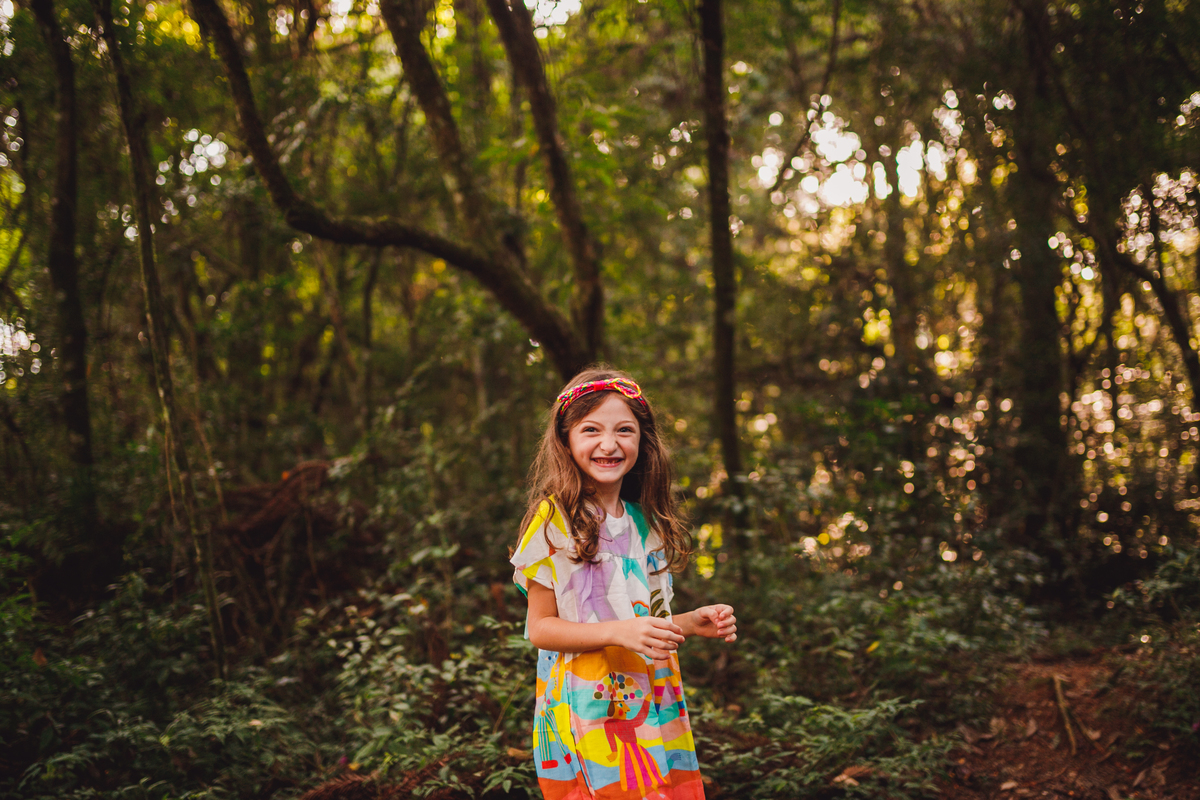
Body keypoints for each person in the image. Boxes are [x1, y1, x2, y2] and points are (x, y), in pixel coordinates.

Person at [510, 367, 738, 799]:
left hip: (652, 699)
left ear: (643, 441)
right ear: (566, 440)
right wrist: (619, 633)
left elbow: (644, 619)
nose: (609, 444)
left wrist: (689, 622)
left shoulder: (644, 523)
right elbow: (540, 629)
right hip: (589, 704)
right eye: (591, 429)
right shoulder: (553, 522)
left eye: (625, 430)